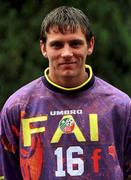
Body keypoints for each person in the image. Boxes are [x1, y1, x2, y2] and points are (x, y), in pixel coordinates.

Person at [0, 6, 131, 180]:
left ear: (90, 45)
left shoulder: (120, 106)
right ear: (43, 48)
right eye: (57, 45)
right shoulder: (17, 107)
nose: (67, 53)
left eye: (75, 43)